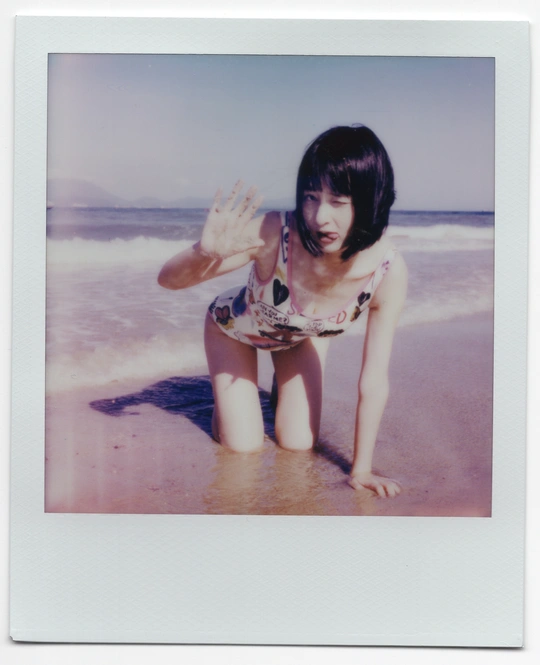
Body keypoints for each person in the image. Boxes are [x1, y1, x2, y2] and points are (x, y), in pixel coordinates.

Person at [158, 125, 407, 498]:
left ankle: (279, 386)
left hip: (296, 340)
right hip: (234, 328)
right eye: (311, 197)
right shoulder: (275, 232)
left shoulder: (387, 272)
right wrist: (203, 253)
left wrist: (362, 469)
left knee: (298, 444)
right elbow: (168, 281)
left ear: (372, 198)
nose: (320, 217)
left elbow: (373, 380)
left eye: (338, 201)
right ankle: (226, 406)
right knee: (244, 447)